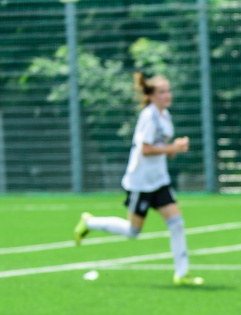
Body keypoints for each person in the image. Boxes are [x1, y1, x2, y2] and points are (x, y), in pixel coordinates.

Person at [73, 73, 202, 286]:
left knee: (177, 224)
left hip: (159, 180)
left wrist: (174, 149)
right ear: (151, 96)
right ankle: (89, 222)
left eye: (168, 90)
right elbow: (145, 149)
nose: (167, 95)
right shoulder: (148, 116)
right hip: (141, 182)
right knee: (133, 231)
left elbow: (160, 148)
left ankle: (182, 274)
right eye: (162, 92)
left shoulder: (164, 116)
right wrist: (172, 148)